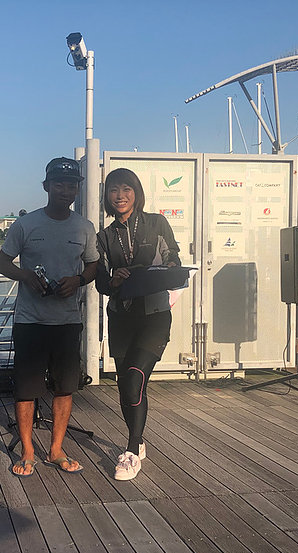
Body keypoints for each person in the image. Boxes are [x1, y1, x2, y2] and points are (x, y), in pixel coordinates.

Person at [0, 157, 99, 478]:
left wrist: (78, 280)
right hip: (30, 321)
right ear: (46, 187)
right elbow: (2, 263)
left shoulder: (84, 227)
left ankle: (55, 450)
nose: (65, 191)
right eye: (59, 184)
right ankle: (28, 451)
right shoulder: (26, 224)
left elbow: (93, 265)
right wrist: (26, 276)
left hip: (67, 321)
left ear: (77, 189)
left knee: (65, 387)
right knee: (26, 389)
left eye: (72, 185)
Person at [95, 168, 181, 481]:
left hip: (154, 314)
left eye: (126, 189)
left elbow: (174, 257)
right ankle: (138, 440)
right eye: (114, 190)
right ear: (107, 196)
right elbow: (101, 283)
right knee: (125, 386)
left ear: (136, 192)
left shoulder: (157, 223)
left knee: (134, 379)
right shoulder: (104, 237)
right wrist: (113, 280)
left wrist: (170, 266)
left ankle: (131, 450)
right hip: (121, 316)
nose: (120, 196)